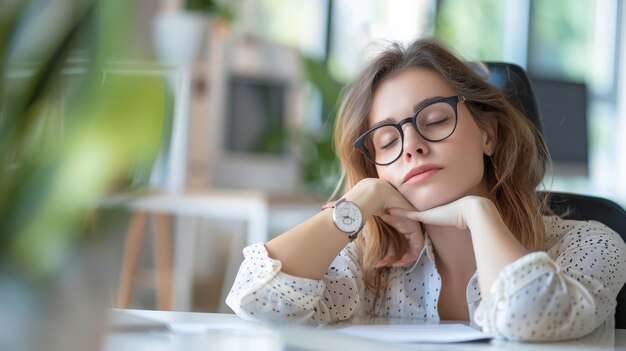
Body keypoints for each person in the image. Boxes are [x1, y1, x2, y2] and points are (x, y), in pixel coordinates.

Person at [225, 39, 626, 341]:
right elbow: (256, 300)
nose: (412, 146)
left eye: (434, 120)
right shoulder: (369, 266)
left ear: (488, 134)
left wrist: (478, 213)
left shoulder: (589, 244)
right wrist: (365, 198)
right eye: (386, 141)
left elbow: (527, 317)